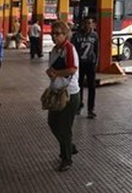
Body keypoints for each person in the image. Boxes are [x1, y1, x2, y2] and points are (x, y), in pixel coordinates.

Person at [46, 21, 80, 172]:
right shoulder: (55, 50)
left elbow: (72, 69)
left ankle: (67, 158)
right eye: (53, 33)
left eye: (58, 33)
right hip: (56, 92)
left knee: (64, 127)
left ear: (65, 35)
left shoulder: (69, 49)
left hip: (69, 94)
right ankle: (69, 146)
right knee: (53, 122)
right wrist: (50, 73)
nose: (54, 36)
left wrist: (56, 74)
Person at [71, 17, 99, 119]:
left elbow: (97, 50)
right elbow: (72, 49)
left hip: (90, 64)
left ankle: (91, 109)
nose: (87, 25)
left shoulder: (95, 35)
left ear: (92, 24)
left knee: (92, 86)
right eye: (85, 23)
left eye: (89, 23)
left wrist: (96, 62)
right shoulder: (76, 36)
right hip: (79, 64)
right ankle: (79, 105)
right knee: (79, 86)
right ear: (82, 24)